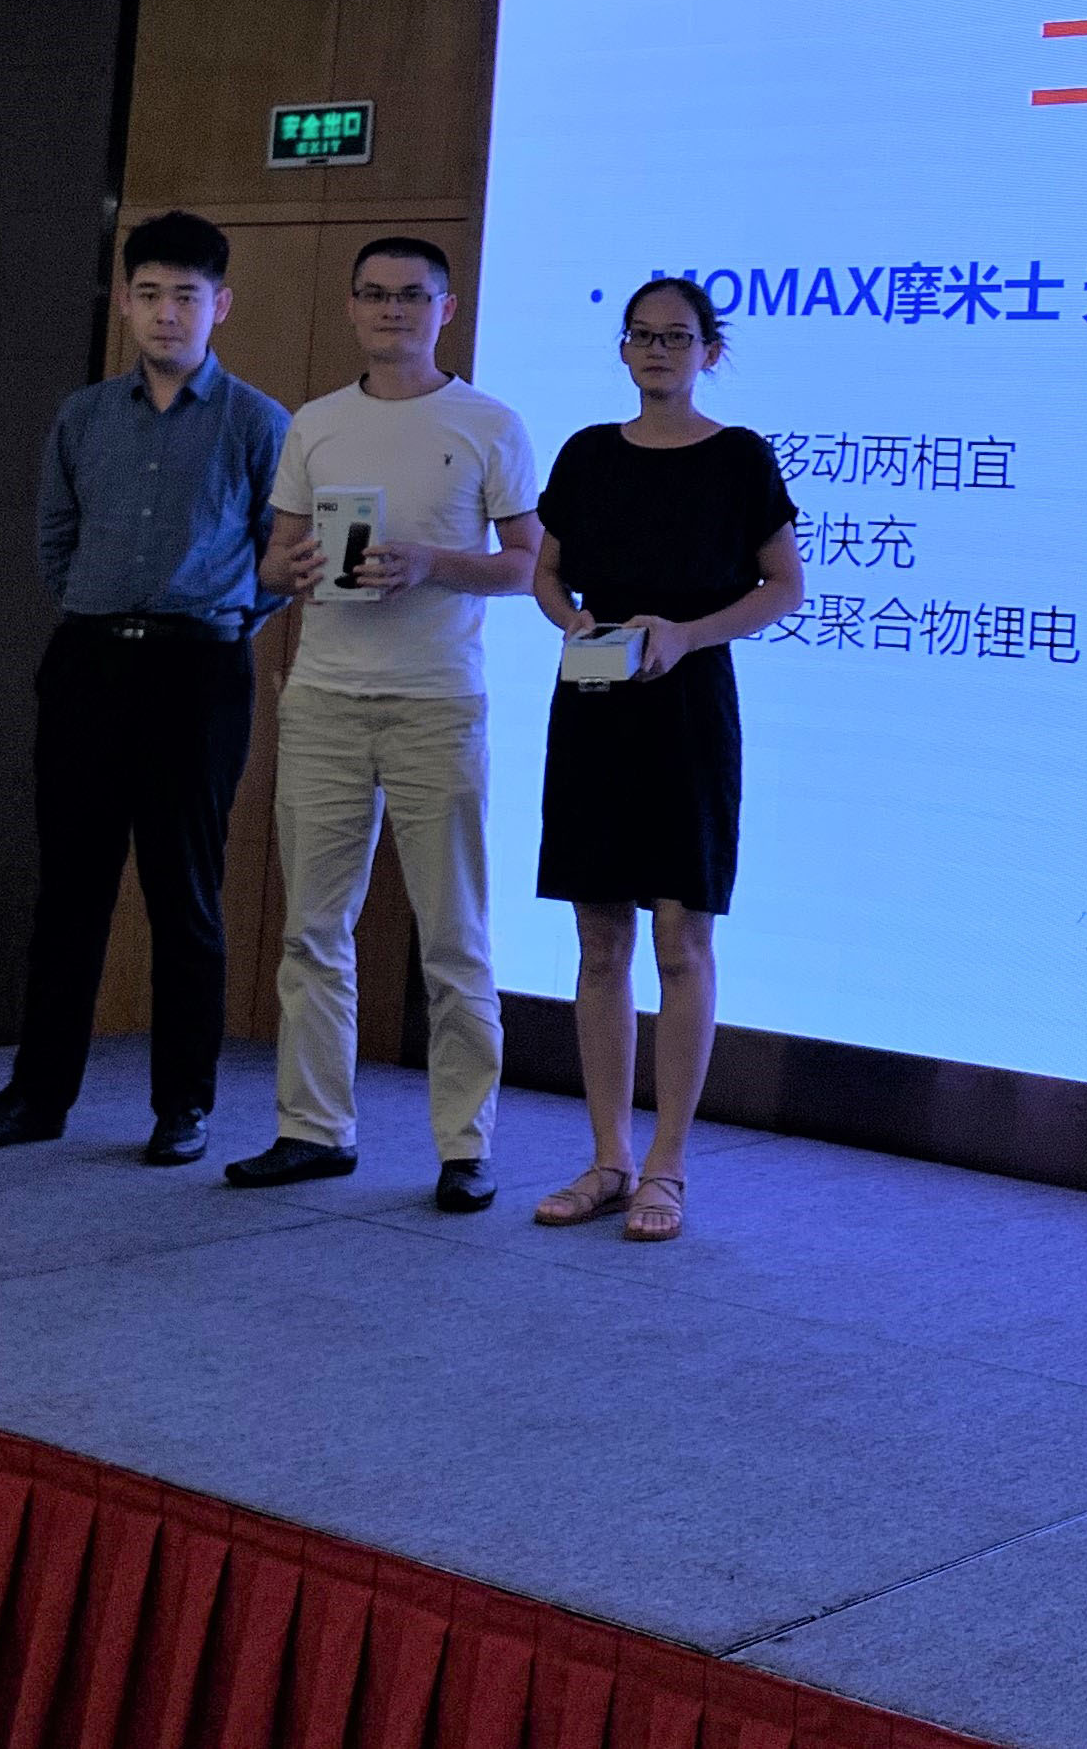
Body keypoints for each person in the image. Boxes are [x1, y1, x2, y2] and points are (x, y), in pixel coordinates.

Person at [0, 212, 289, 1164]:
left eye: (186, 296)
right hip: (88, 661)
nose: (166, 313)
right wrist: (105, 611)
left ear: (220, 305)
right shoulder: (83, 415)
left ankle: (182, 1106)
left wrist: (218, 617)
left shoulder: (258, 421)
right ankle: (37, 1096)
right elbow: (56, 543)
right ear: (125, 304)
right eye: (148, 294)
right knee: (70, 891)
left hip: (198, 669)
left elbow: (279, 558)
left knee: (186, 895)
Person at [233, 238, 540, 1213]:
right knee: (311, 930)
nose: (391, 310)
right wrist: (294, 569)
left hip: (436, 702)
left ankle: (465, 1146)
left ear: (446, 309)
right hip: (323, 697)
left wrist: (431, 563)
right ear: (352, 307)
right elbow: (275, 558)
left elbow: (528, 565)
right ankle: (313, 1128)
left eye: (411, 295)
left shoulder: (488, 422)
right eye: (374, 294)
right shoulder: (316, 422)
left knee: (454, 936)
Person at [526, 277, 801, 1242]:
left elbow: (784, 586)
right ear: (622, 348)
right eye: (641, 335)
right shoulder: (587, 452)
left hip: (689, 708)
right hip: (594, 700)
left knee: (681, 942)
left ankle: (667, 1168)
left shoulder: (738, 456)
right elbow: (547, 572)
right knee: (599, 941)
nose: (657, 350)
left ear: (708, 352)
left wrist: (687, 635)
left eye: (677, 337)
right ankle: (607, 1157)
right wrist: (570, 622)